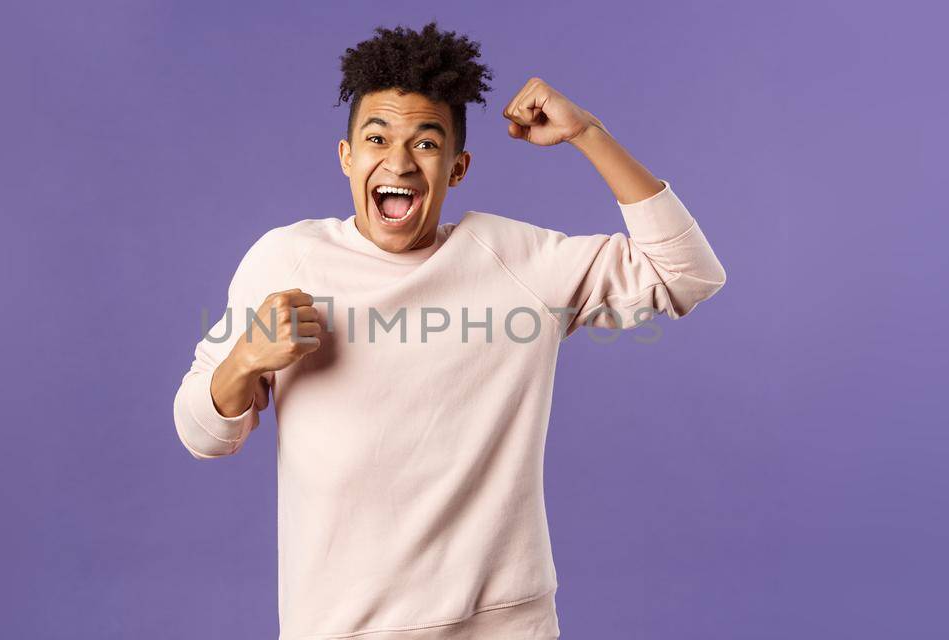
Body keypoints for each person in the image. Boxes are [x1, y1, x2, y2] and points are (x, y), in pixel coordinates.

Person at [173, 21, 727, 640]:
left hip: (504, 621)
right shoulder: (286, 260)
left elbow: (687, 275)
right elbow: (204, 434)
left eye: (427, 144)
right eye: (377, 138)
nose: (400, 162)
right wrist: (245, 360)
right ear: (347, 157)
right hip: (342, 626)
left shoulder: (515, 261)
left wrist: (588, 135)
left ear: (458, 167)